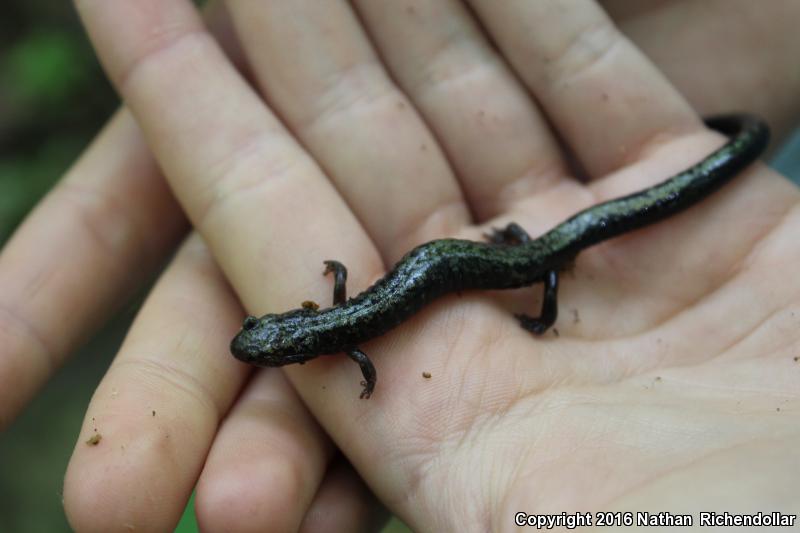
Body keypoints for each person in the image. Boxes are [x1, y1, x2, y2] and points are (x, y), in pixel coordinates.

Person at [1, 1, 799, 531]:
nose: (269, 343)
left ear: (295, 339)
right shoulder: (333, 331)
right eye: (268, 341)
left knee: (548, 263)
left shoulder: (343, 337)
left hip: (523, 255)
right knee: (544, 251)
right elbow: (346, 312)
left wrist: (539, 319)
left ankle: (736, 142)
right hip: (505, 247)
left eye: (268, 340)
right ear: (294, 337)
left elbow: (361, 349)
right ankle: (733, 141)